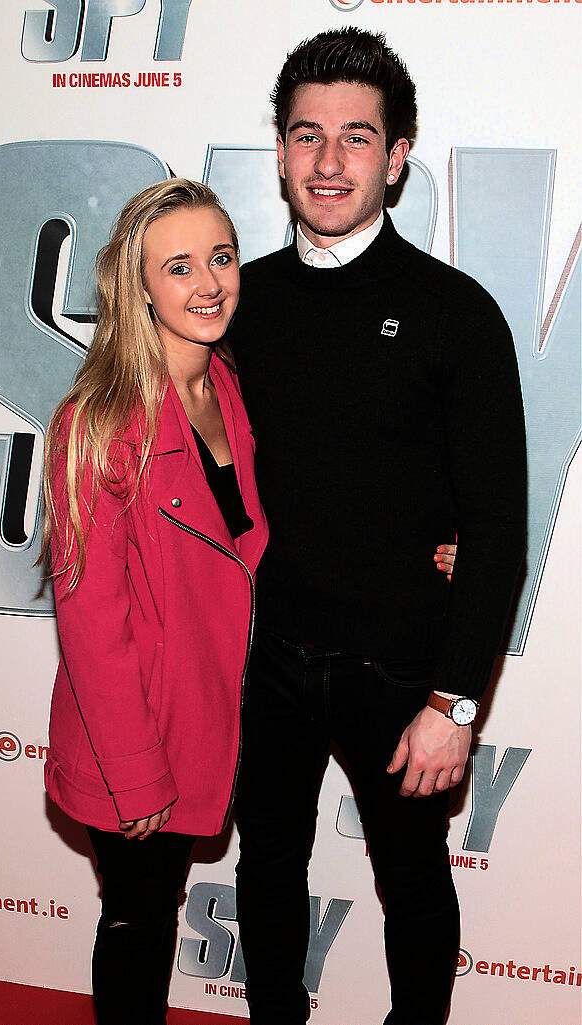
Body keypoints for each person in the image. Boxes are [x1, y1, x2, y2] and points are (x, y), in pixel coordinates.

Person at [228, 28, 527, 1025]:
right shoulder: (234, 305)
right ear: (278, 151)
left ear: (395, 157)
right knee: (266, 861)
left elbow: (494, 524)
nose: (327, 161)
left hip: (402, 672)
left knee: (411, 877)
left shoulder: (454, 313)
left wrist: (456, 701)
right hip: (264, 657)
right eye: (306, 135)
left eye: (355, 137)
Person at [40, 179, 268, 1025]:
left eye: (221, 257)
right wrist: (138, 777)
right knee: (136, 927)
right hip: (133, 737)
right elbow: (92, 627)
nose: (209, 283)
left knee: (152, 916)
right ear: (137, 287)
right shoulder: (97, 423)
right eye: (179, 267)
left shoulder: (227, 391)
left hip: (209, 713)